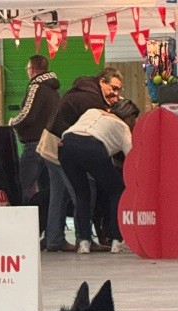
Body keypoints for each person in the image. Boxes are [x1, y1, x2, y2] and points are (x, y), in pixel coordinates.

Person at [43, 67, 125, 253]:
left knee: (59, 196)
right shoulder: (92, 101)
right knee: (84, 191)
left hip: (50, 143)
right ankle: (83, 238)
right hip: (61, 143)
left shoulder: (83, 90)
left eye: (119, 90)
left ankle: (55, 239)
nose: (115, 93)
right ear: (102, 82)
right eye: (113, 88)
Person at [59, 99, 139, 254]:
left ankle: (84, 242)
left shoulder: (93, 111)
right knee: (117, 190)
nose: (133, 124)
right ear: (128, 117)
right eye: (133, 120)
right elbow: (132, 158)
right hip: (93, 147)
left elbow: (75, 130)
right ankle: (117, 240)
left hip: (66, 145)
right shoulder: (123, 128)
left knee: (82, 194)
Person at [9, 54, 59, 203]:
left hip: (35, 145)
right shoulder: (53, 90)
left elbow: (27, 114)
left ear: (32, 69)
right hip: (50, 145)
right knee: (47, 190)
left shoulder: (36, 87)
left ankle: (21, 215)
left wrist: (12, 123)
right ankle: (45, 216)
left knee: (21, 185)